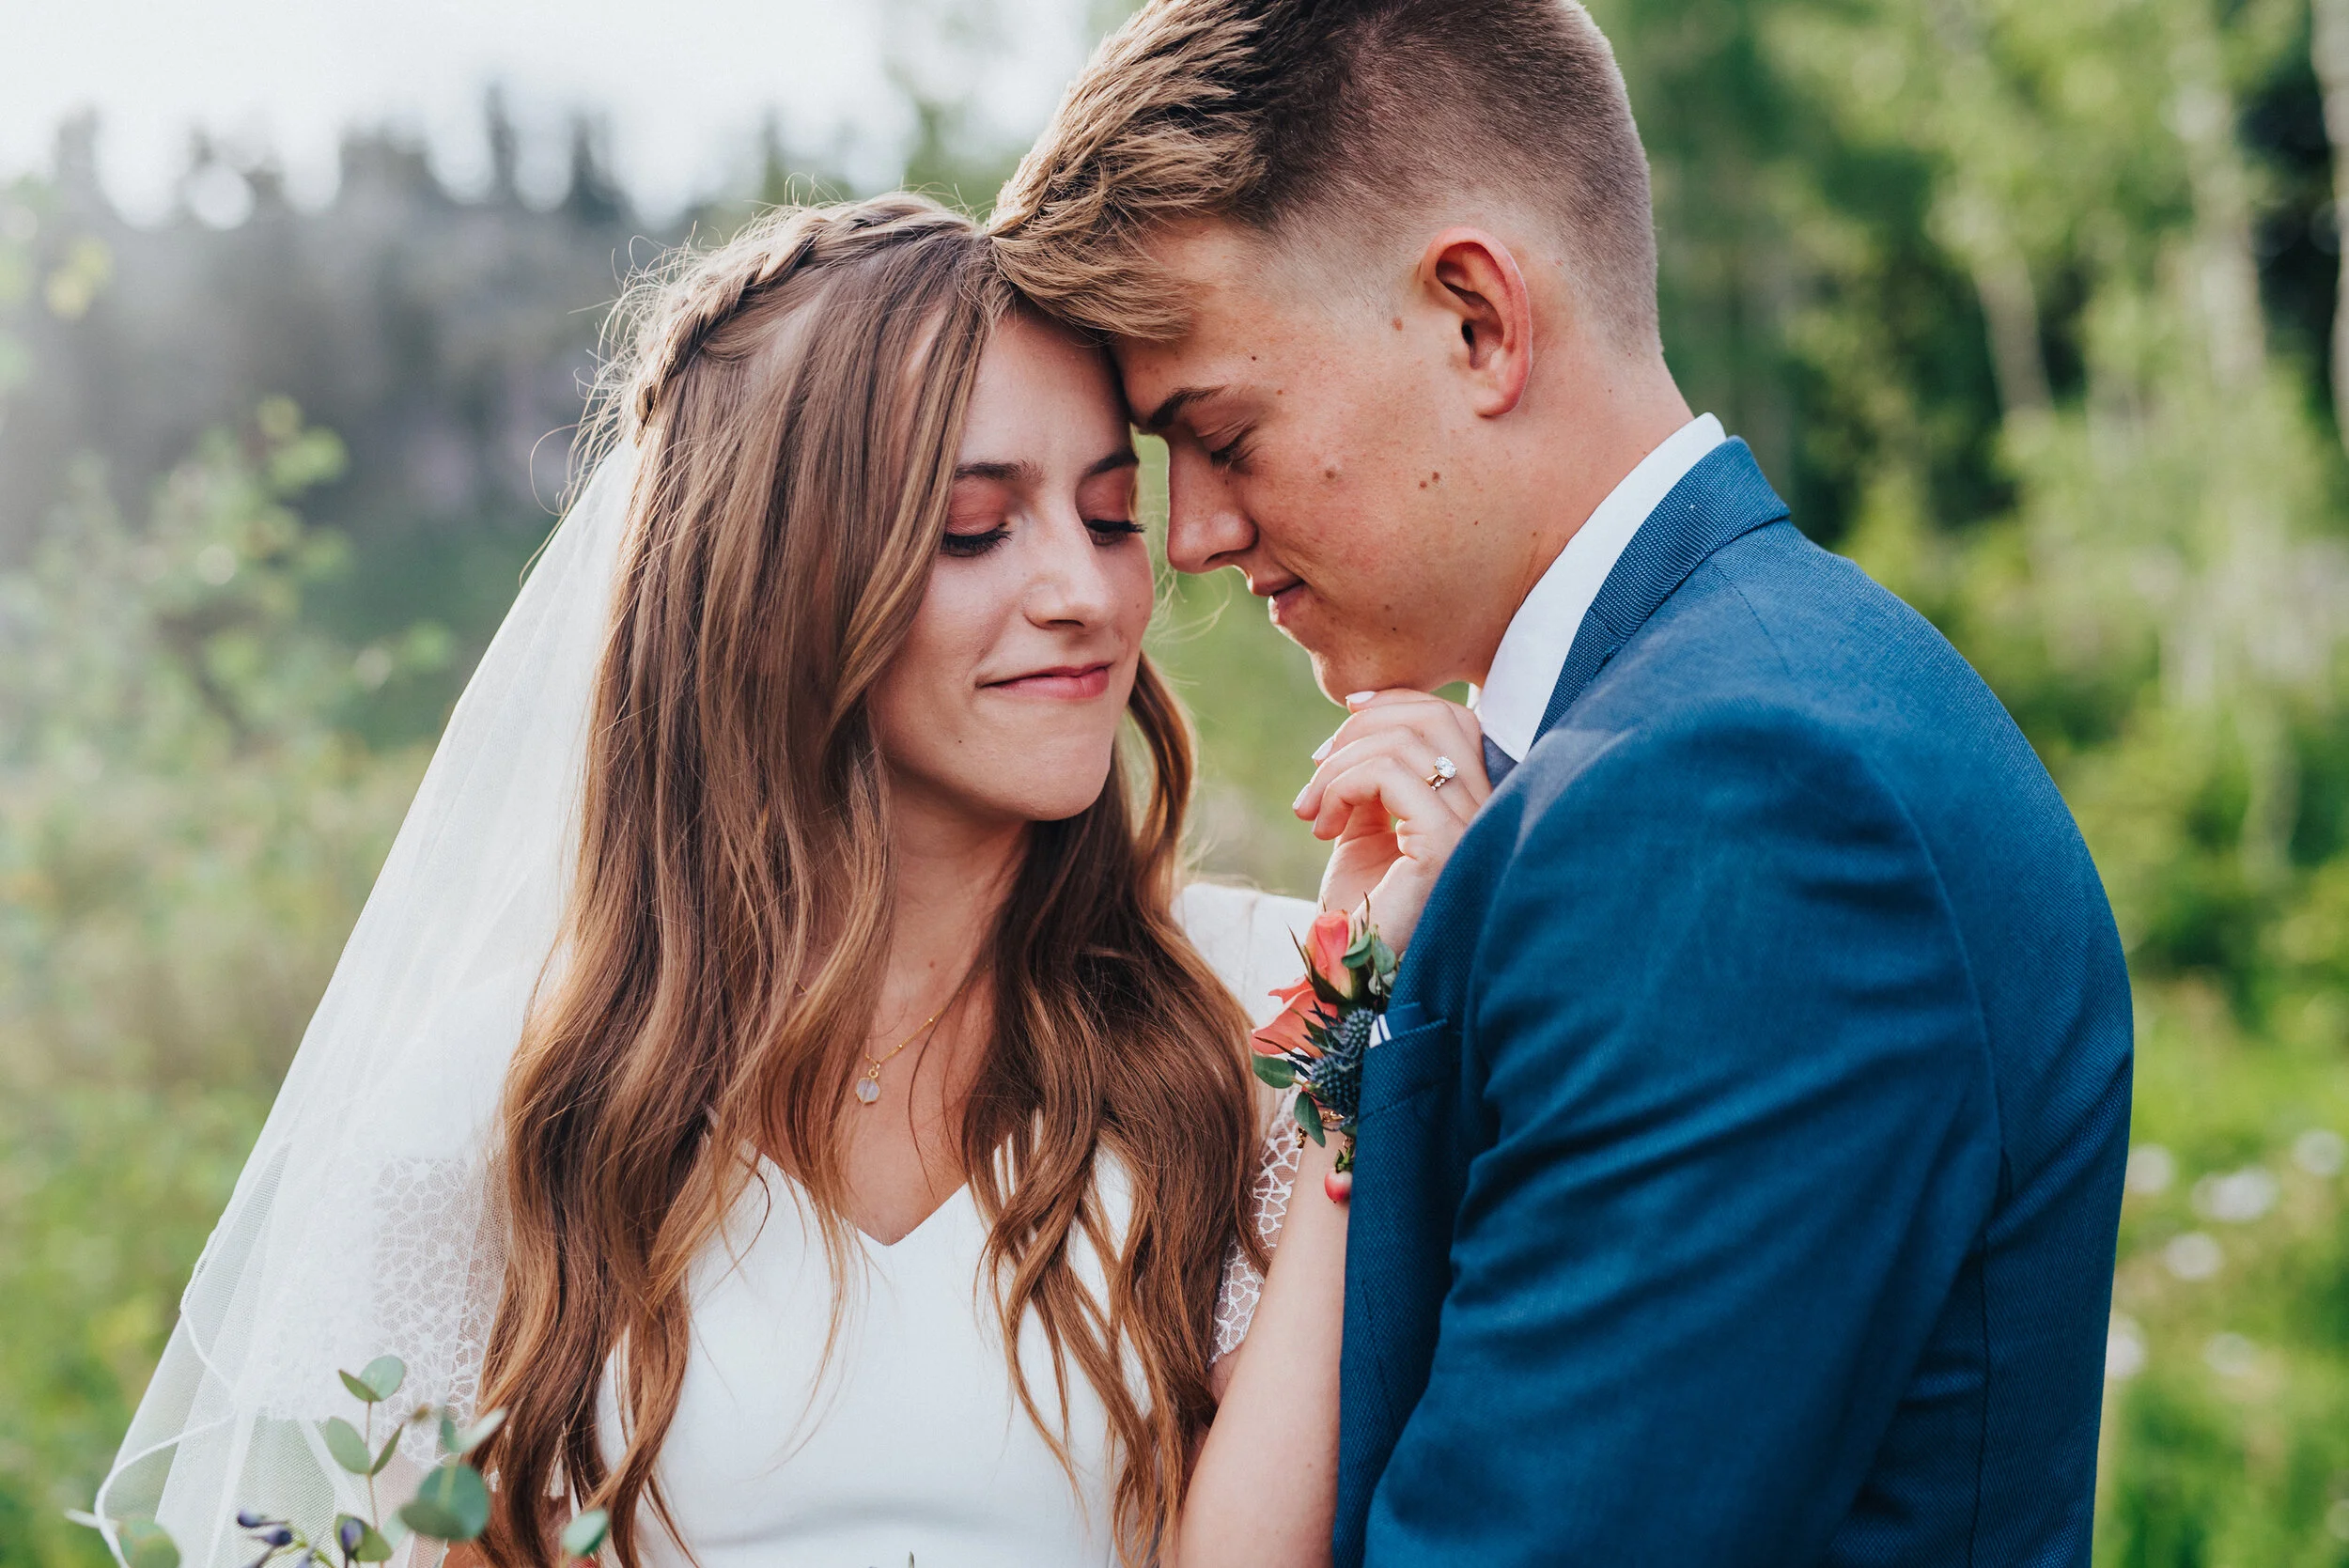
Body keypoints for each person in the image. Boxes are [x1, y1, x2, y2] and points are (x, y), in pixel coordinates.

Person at [91, 196, 1472, 1568]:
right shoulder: (503, 1106)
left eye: (1109, 515)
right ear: (772, 587)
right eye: (973, 530)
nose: (1088, 592)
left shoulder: (1265, 1010)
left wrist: (1360, 1007)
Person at [993, 1, 2137, 1564]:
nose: (1191, 536)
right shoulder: (1713, 723)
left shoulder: (1736, 805)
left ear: (1477, 320)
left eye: (1224, 432)